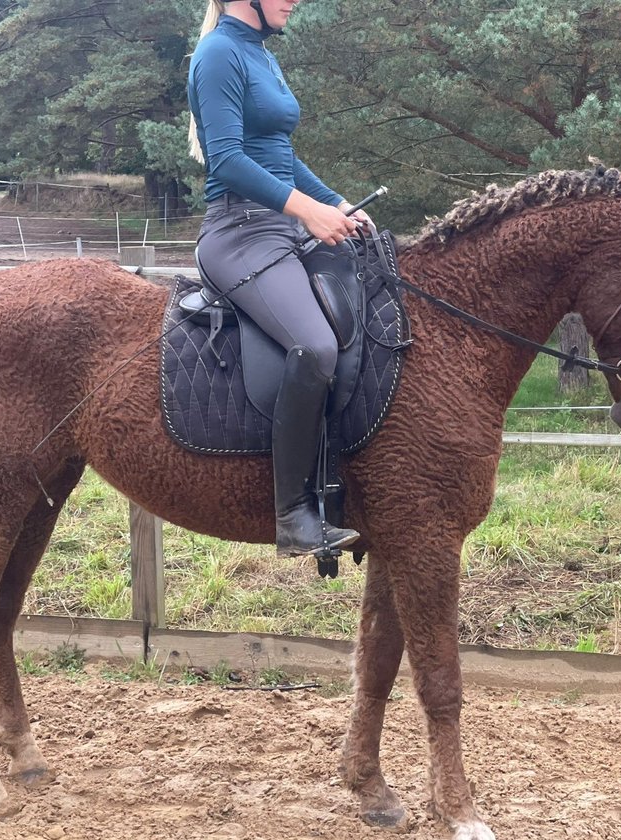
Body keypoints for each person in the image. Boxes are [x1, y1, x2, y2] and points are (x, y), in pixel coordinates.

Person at [187, 0, 371, 557]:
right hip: (239, 231)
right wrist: (307, 211)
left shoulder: (262, 55)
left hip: (281, 227)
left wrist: (335, 201)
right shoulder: (218, 53)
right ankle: (293, 513)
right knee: (314, 346)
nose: (294, 1)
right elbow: (226, 160)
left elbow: (279, 156)